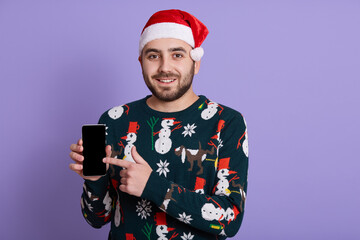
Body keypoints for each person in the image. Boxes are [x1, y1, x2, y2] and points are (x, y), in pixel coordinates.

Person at [69, 9, 249, 240]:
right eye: (153, 56)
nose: (165, 67)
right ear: (141, 62)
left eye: (177, 55)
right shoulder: (113, 120)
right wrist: (94, 181)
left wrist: (153, 185)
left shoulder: (226, 122)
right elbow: (96, 219)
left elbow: (229, 221)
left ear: (195, 63)